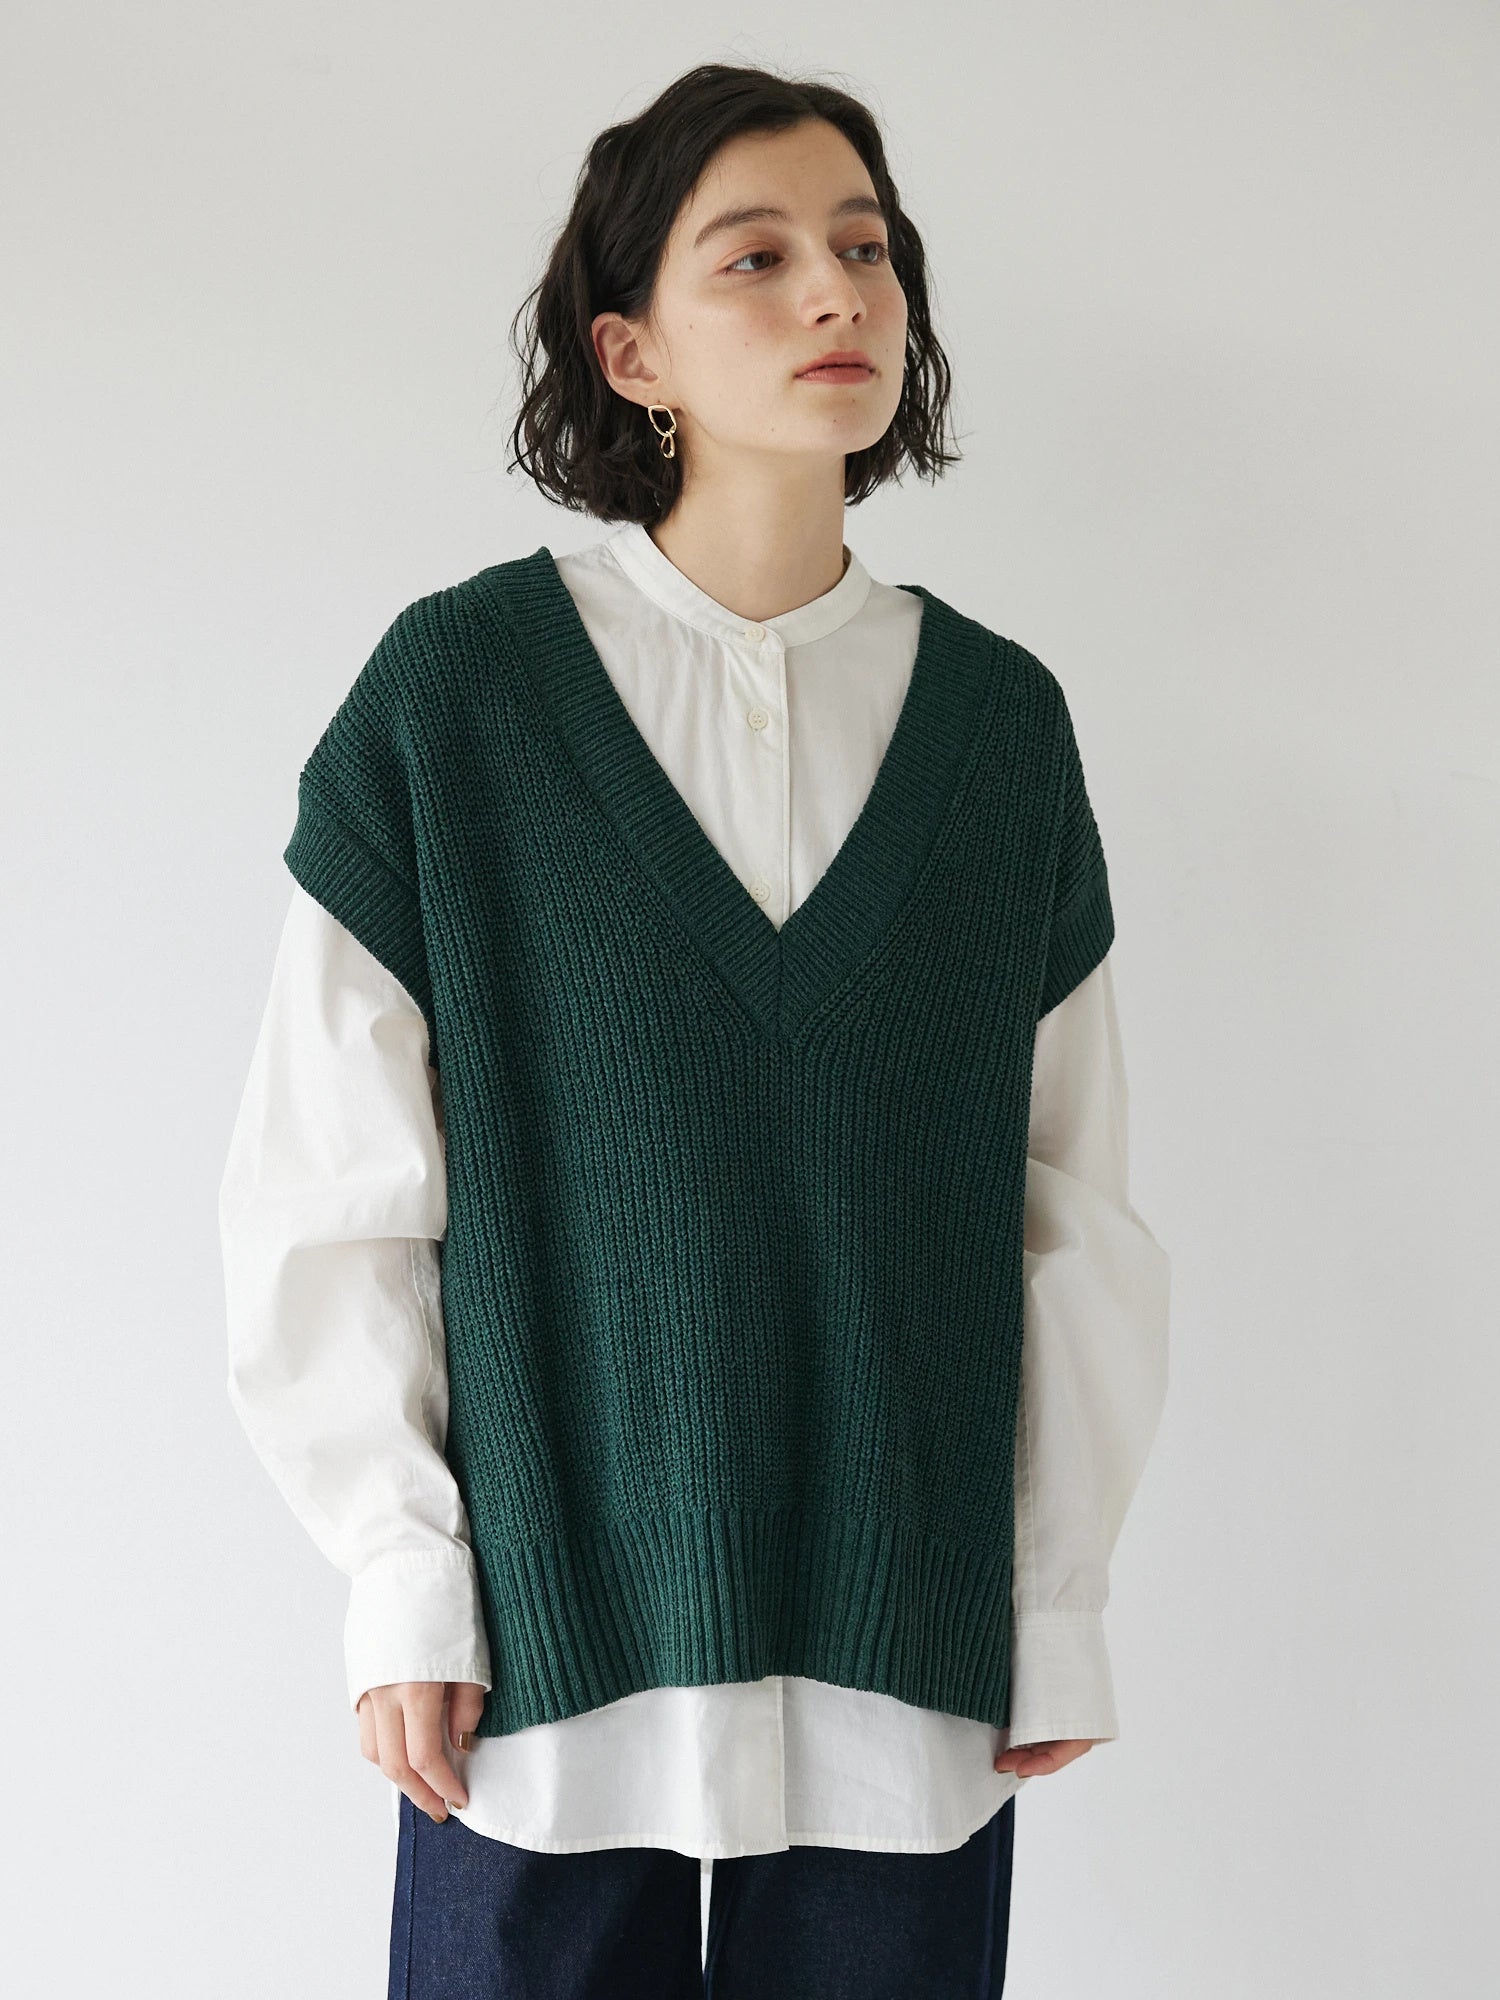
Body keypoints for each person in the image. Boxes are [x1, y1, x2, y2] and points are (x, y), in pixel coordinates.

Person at [218, 60, 1170, 2000]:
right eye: (757, 255)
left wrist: (1052, 1594)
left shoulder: (1001, 732)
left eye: (866, 249)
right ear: (630, 350)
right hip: (545, 1664)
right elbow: (332, 1184)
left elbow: (1069, 1202)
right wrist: (402, 1570)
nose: (837, 292)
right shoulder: (457, 702)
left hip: (900, 1653)